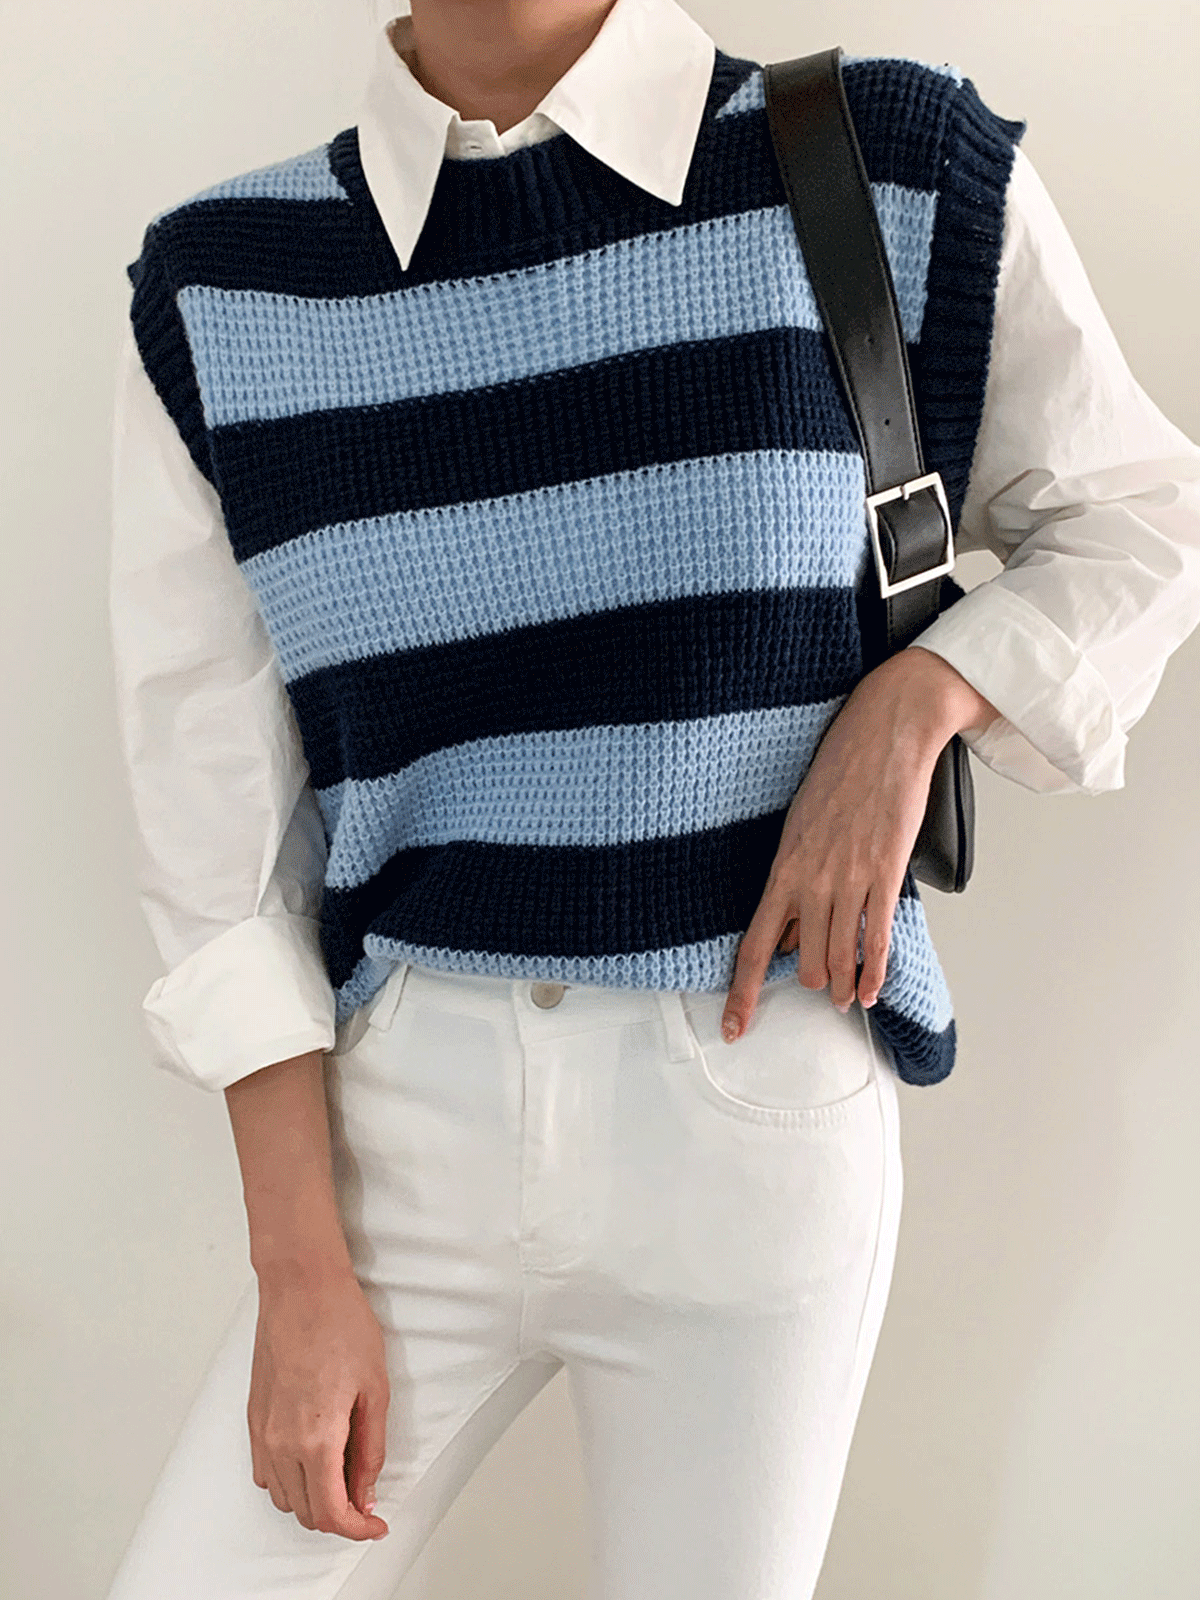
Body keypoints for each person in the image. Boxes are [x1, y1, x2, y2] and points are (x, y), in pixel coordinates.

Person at [104, 1, 1200, 1596]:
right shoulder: (225, 289)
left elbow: (1144, 521)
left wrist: (915, 701)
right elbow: (214, 835)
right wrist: (296, 1268)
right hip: (395, 1133)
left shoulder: (880, 164)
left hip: (754, 1099)